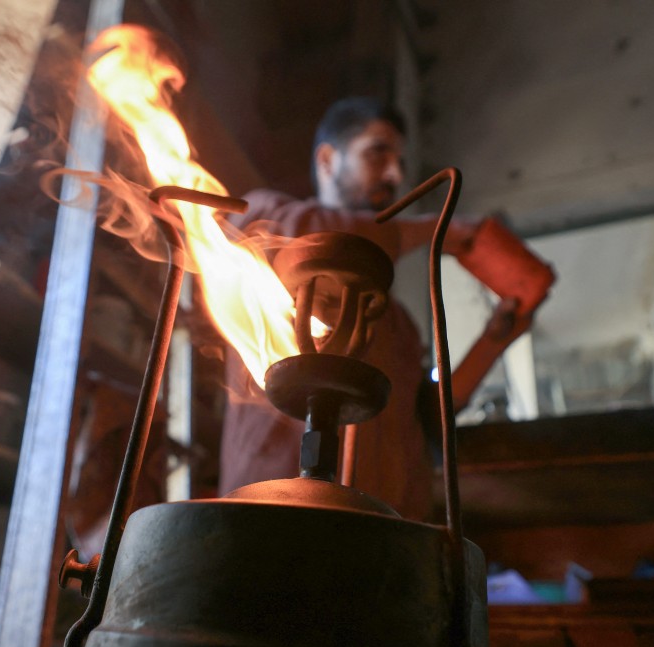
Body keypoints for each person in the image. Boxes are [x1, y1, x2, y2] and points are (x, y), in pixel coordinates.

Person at [218, 97, 521, 521]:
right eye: (378, 152)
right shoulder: (269, 223)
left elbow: (431, 414)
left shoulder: (395, 322)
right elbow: (322, 236)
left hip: (386, 527)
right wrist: (440, 230)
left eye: (398, 159)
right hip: (271, 516)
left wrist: (495, 339)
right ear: (328, 159)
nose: (396, 174)